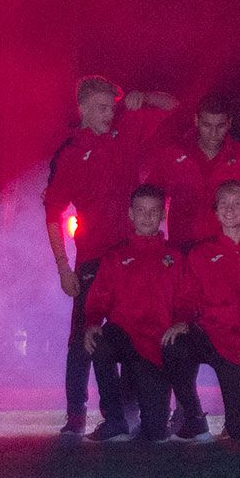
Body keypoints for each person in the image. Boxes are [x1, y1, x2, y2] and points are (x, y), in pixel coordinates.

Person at [44, 76, 176, 435]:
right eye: (101, 108)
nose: (108, 114)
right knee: (83, 335)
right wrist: (62, 267)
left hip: (137, 253)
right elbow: (52, 214)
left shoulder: (126, 128)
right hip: (93, 257)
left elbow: (173, 106)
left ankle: (125, 408)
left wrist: (145, 93)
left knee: (133, 329)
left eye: (112, 107)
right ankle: (76, 412)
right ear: (82, 109)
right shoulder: (70, 152)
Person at [163, 181, 240, 442]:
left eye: (237, 203)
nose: (229, 209)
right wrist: (182, 321)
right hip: (210, 337)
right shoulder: (201, 253)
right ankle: (193, 418)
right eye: (223, 203)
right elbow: (187, 297)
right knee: (174, 343)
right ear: (214, 211)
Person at [81, 184, 194, 442]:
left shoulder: (175, 257)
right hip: (124, 338)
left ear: (163, 215)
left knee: (155, 433)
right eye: (140, 210)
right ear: (130, 214)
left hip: (156, 346)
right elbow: (98, 299)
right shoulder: (116, 256)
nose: (146, 216)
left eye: (153, 211)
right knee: (99, 341)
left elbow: (187, 299)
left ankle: (143, 404)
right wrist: (91, 323)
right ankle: (114, 419)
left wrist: (181, 322)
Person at [145, 93, 240, 253]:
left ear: (229, 123)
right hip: (182, 247)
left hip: (229, 248)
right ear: (196, 120)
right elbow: (149, 197)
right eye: (206, 125)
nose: (213, 133)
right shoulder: (173, 155)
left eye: (220, 126)